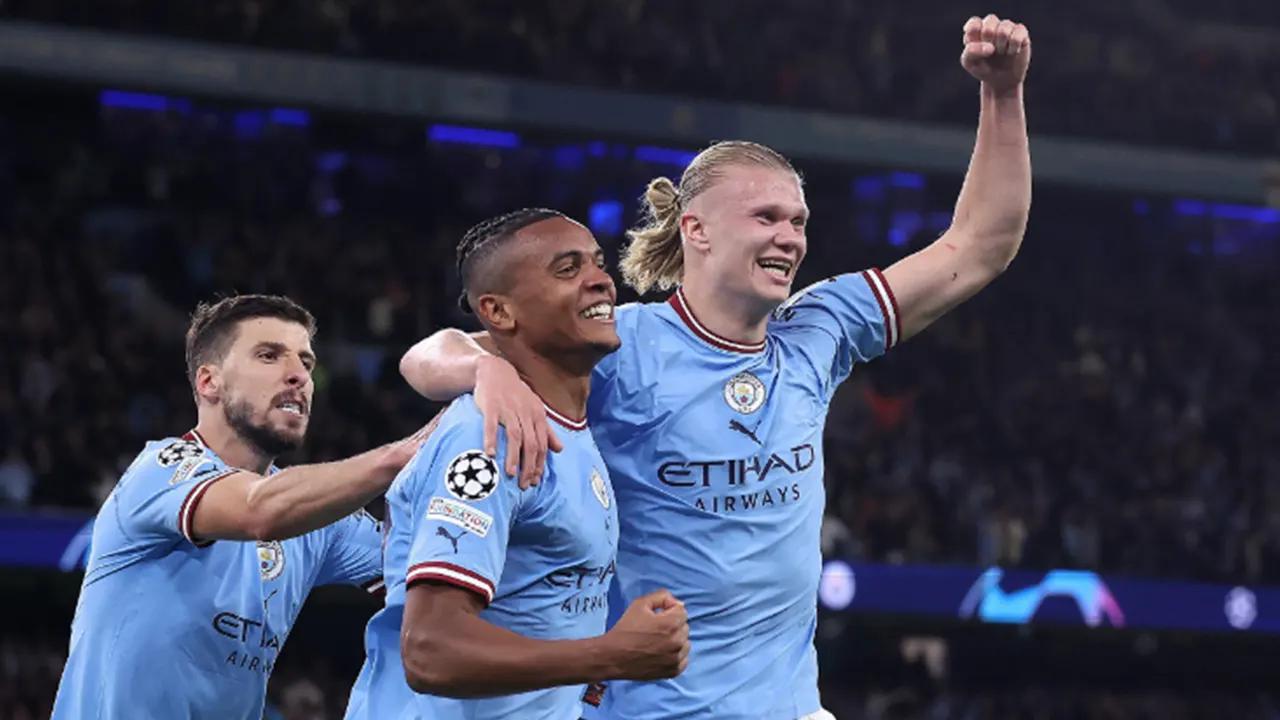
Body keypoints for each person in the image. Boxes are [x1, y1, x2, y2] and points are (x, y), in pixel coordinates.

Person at [400, 15, 1033, 720]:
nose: (789, 238)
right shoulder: (620, 344)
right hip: (651, 711)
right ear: (696, 230)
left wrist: (1003, 94)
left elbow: (981, 245)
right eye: (766, 218)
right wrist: (484, 370)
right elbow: (424, 356)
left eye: (798, 221)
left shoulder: (820, 327)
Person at [344, 208, 689, 720]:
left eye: (597, 263)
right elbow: (430, 651)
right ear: (499, 312)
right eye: (567, 269)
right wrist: (611, 654)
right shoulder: (487, 435)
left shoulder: (570, 431)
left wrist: (589, 665)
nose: (600, 279)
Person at [52, 294, 432, 720]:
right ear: (208, 382)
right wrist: (400, 456)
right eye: (269, 355)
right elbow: (260, 511)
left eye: (306, 362)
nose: (299, 375)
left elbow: (434, 565)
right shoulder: (161, 469)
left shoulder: (318, 519)